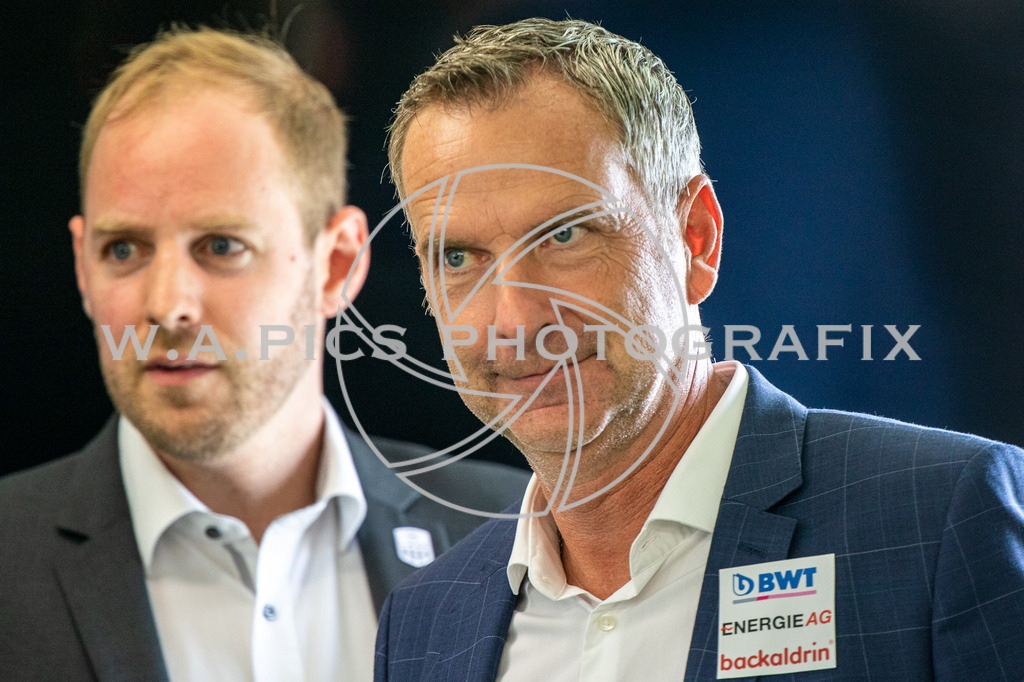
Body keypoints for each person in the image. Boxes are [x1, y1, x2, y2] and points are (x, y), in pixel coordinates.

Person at [373, 17, 1024, 681]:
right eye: (459, 256)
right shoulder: (420, 621)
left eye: (565, 237)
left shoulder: (938, 520)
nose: (513, 319)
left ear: (697, 239)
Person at [0, 27, 527, 681]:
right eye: (124, 250)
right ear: (82, 267)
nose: (167, 304)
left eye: (221, 246)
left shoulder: (522, 536)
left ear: (335, 265)